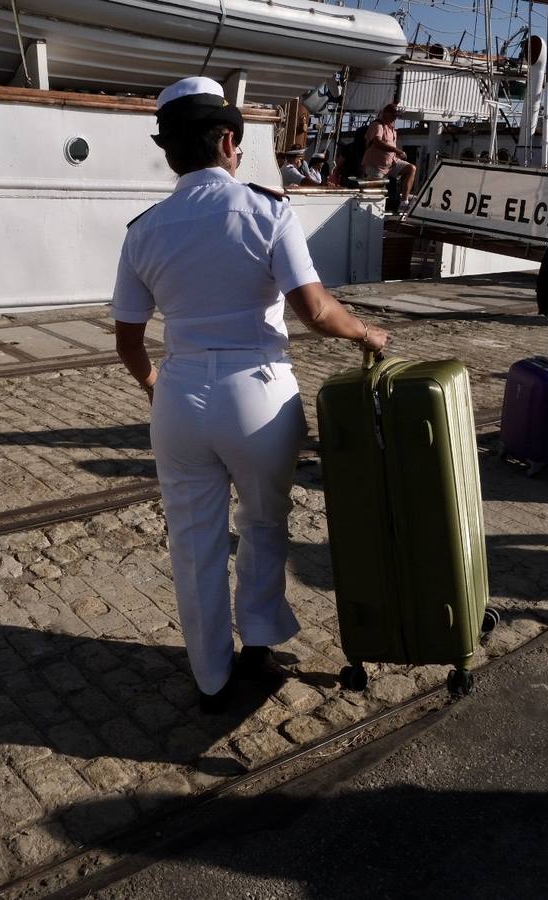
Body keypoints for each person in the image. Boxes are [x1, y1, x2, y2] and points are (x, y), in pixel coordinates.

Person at [111, 76, 389, 712]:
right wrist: (369, 334)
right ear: (229, 142)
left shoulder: (144, 229)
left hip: (179, 396)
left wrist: (159, 390)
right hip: (258, 395)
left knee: (193, 541)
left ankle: (211, 677)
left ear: (172, 151)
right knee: (263, 524)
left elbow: (127, 342)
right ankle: (259, 645)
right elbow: (315, 311)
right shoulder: (268, 209)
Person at [361, 103, 417, 197]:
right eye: (393, 115)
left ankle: (404, 201)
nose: (395, 118)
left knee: (411, 168)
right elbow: (377, 142)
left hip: (391, 164)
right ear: (385, 113)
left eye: (396, 116)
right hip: (376, 166)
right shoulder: (378, 125)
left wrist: (395, 155)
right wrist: (397, 151)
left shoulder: (392, 129)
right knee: (374, 193)